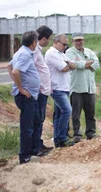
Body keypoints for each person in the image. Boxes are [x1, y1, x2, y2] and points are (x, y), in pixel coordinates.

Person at [7, 31, 40, 164]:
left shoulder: (20, 52)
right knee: (27, 127)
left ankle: (33, 151)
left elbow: (9, 66)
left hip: (30, 95)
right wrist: (21, 88)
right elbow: (15, 71)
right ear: (34, 42)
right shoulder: (25, 54)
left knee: (36, 122)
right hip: (26, 96)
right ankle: (25, 156)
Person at [66, 32, 100, 143]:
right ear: (73, 42)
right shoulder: (69, 52)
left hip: (90, 87)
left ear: (83, 40)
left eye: (80, 40)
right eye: (76, 40)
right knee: (76, 113)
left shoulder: (89, 51)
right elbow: (75, 65)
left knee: (90, 112)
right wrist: (86, 63)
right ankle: (77, 134)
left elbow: (96, 64)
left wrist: (85, 64)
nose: (79, 42)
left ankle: (91, 133)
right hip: (77, 87)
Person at [45, 33, 76, 148]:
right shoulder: (51, 53)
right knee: (67, 110)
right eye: (64, 44)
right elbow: (64, 68)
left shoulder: (61, 54)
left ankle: (58, 141)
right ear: (56, 42)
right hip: (56, 88)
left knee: (58, 115)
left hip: (64, 87)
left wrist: (68, 64)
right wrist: (68, 65)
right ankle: (63, 137)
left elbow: (73, 66)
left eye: (66, 45)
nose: (65, 47)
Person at [34, 25, 54, 155]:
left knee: (40, 119)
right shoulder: (34, 51)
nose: (49, 41)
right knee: (37, 120)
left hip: (43, 92)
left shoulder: (37, 50)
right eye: (49, 39)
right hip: (39, 92)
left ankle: (39, 144)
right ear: (45, 38)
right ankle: (36, 147)